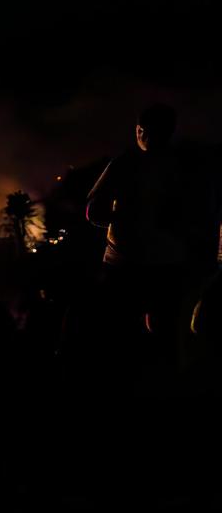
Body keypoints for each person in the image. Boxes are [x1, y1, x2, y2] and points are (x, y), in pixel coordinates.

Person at [85, 105, 219, 375]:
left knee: (120, 335)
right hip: (166, 264)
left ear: (140, 131)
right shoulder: (187, 168)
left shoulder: (125, 164)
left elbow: (93, 211)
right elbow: (202, 217)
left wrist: (122, 215)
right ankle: (163, 380)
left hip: (126, 264)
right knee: (163, 331)